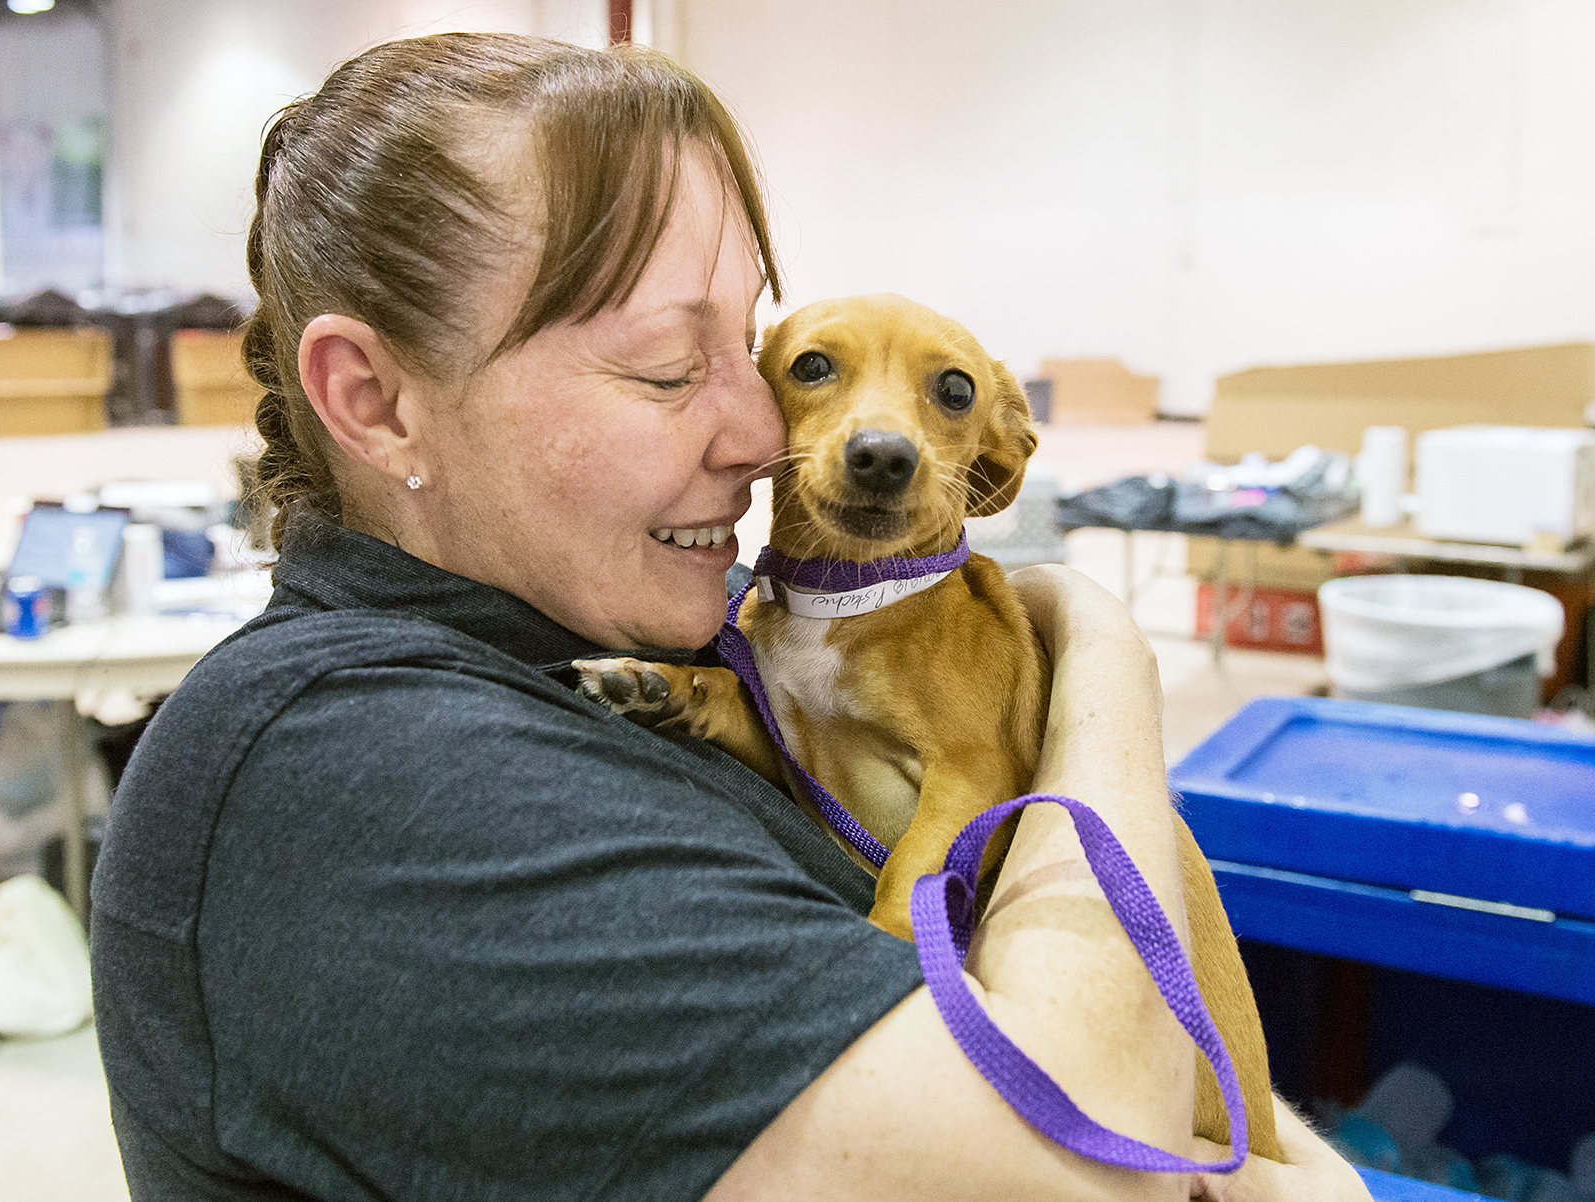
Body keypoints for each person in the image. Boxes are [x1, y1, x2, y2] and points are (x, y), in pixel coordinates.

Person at [91, 32, 1369, 1202]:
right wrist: (1101, 657)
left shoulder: (646, 641)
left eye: (751, 344)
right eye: (667, 365)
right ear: (375, 401)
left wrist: (1289, 1160)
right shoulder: (355, 774)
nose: (765, 434)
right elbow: (1080, 1164)